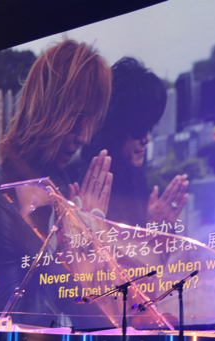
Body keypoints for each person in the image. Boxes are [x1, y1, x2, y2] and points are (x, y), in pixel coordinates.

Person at [0, 39, 114, 321]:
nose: (84, 137)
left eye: (90, 121)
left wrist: (91, 246)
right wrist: (79, 265)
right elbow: (14, 328)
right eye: (77, 119)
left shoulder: (65, 184)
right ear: (47, 109)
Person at [73, 57, 189, 229]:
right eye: (139, 129)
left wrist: (151, 227)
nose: (146, 139)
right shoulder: (90, 187)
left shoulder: (135, 177)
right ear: (115, 126)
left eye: (150, 128)